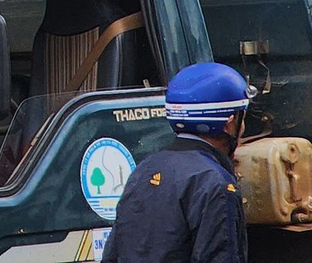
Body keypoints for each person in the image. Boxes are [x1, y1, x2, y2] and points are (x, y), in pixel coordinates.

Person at [102, 61, 250, 263]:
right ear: (229, 123)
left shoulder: (145, 169)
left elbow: (113, 254)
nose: (244, 128)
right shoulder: (215, 183)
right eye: (242, 118)